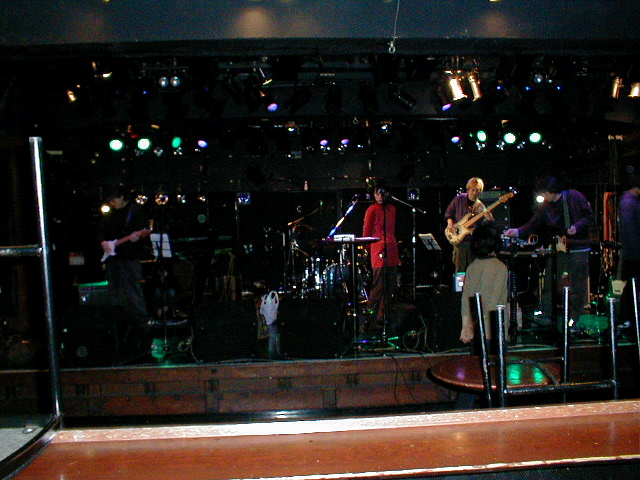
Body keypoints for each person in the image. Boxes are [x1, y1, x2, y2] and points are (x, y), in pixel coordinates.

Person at [504, 175, 594, 323]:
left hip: (578, 247)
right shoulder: (545, 206)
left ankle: (575, 318)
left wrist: (576, 227)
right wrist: (517, 231)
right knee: (550, 282)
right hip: (558, 248)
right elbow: (533, 224)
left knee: (577, 285)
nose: (543, 196)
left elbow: (589, 216)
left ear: (551, 190)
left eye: (544, 193)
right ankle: (546, 313)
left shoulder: (574, 197)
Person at [456, 222, 508, 409]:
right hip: (494, 332)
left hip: (477, 335)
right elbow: (492, 304)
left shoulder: (472, 267)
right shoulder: (500, 268)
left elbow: (465, 300)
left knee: (473, 379)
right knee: (496, 381)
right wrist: (472, 326)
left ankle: (460, 415)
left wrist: (466, 327)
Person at [99, 186, 152, 326]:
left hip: (130, 257)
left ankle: (141, 324)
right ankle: (115, 325)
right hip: (113, 259)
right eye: (110, 201)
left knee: (133, 293)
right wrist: (104, 242)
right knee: (113, 294)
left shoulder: (136, 211)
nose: (112, 203)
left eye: (114, 200)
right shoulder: (110, 213)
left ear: (122, 197)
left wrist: (138, 237)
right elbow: (103, 232)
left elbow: (145, 232)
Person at [362, 180, 400, 334]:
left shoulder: (392, 209)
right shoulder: (371, 210)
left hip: (391, 249)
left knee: (390, 286)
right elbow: (366, 233)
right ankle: (369, 319)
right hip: (378, 249)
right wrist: (371, 249)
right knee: (378, 286)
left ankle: (382, 317)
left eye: (382, 193)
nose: (379, 196)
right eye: (377, 193)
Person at [445, 177, 491, 273]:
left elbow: (482, 225)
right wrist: (450, 223)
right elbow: (449, 212)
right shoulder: (459, 199)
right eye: (473, 190)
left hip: (472, 241)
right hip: (459, 239)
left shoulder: (480, 206)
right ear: (468, 189)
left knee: (473, 270)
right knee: (459, 269)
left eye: (477, 190)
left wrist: (488, 219)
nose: (474, 193)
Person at [618, 167, 640, 329]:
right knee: (632, 287)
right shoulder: (629, 204)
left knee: (632, 287)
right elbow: (631, 231)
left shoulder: (629, 202)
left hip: (632, 253)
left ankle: (628, 319)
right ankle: (628, 319)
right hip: (633, 254)